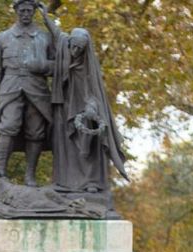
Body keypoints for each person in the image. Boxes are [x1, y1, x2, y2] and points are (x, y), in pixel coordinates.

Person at [40, 7, 128, 194]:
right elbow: (56, 32)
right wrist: (45, 16)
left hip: (83, 110)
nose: (76, 51)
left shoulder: (88, 68)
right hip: (63, 107)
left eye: (80, 49)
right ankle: (65, 182)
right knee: (63, 145)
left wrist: (90, 108)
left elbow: (94, 93)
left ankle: (91, 182)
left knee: (86, 147)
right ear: (70, 42)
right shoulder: (64, 46)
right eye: (74, 47)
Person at [0, 0, 54, 186]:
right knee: (8, 126)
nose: (26, 14)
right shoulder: (3, 37)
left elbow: (58, 65)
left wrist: (41, 65)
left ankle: (30, 176)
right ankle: (0, 169)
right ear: (16, 11)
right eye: (22, 10)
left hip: (38, 89)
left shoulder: (45, 37)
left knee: (36, 132)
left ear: (34, 11)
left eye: (29, 10)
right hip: (9, 88)